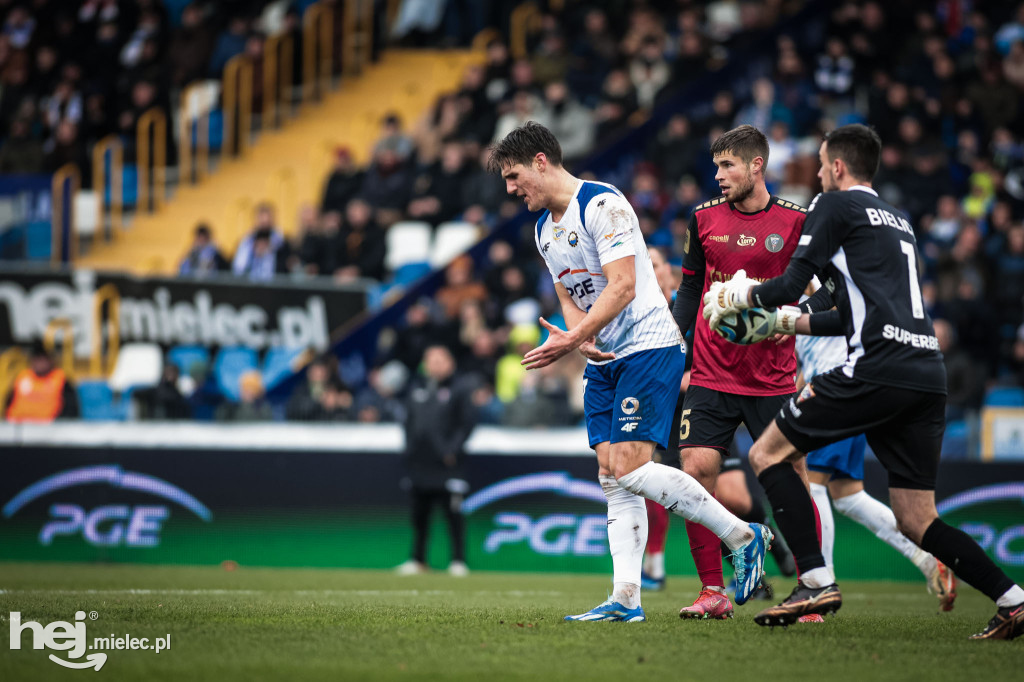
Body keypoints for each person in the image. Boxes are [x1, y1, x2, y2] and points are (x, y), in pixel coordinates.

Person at [703, 123, 1024, 639]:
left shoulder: (833, 206)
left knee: (767, 455)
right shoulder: (897, 220)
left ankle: (814, 579)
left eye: (823, 162)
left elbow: (788, 283)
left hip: (875, 366)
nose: (820, 172)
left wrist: (739, 298)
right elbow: (848, 312)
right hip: (926, 372)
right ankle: (1013, 599)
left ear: (837, 167)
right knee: (917, 518)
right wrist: (785, 322)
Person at [488, 121, 772, 623]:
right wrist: (582, 339)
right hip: (605, 357)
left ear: (540, 162)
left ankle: (743, 535)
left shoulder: (603, 205)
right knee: (611, 478)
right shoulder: (541, 229)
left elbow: (621, 286)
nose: (511, 190)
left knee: (632, 468)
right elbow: (569, 294)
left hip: (648, 345)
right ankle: (626, 599)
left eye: (513, 177)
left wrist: (573, 339)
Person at [670, 125, 805, 620]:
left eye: (728, 165)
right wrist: (671, 345)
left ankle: (810, 586)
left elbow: (830, 291)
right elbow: (689, 291)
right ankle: (713, 592)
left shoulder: (796, 221)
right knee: (694, 475)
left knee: (790, 479)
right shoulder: (703, 218)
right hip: (710, 372)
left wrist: (782, 318)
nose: (718, 175)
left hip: (772, 376)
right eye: (716, 165)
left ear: (756, 166)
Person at [796, 286, 957, 611]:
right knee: (848, 496)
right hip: (831, 390)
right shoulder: (791, 297)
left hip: (838, 393)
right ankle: (926, 558)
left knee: (812, 485)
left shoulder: (810, 275)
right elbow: (807, 361)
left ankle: (821, 585)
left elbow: (826, 290)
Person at [396, 345, 475, 577]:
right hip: (420, 463)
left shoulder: (460, 388)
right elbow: (408, 422)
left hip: (448, 464)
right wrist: (410, 448)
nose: (435, 365)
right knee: (419, 515)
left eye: (440, 360)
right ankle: (418, 559)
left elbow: (467, 423)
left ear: (450, 362)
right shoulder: (416, 388)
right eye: (430, 360)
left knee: (453, 514)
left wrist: (452, 450)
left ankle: (458, 561)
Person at [4, 342, 79, 422]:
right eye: (37, 360)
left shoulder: (60, 379)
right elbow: (9, 401)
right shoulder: (22, 377)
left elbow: (71, 407)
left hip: (49, 429)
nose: (40, 364)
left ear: (50, 361)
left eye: (42, 360)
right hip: (17, 426)